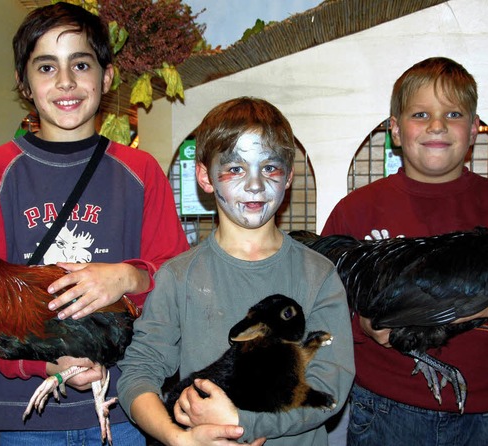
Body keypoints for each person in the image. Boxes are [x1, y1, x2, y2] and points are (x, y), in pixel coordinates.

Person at [0, 2, 189, 445]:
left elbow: (178, 273)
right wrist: (44, 365)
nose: (65, 82)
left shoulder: (139, 172)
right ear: (24, 83)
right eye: (46, 67)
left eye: (81, 64)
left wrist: (128, 275)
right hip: (29, 411)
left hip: (129, 403)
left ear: (107, 76)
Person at [322, 57, 488, 445]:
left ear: (473, 131)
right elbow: (323, 304)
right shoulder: (357, 210)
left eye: (452, 114)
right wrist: (363, 325)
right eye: (421, 114)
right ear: (396, 131)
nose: (437, 125)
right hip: (384, 408)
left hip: (482, 415)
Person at [117, 96, 355, 446]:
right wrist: (177, 438)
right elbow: (138, 372)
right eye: (235, 168)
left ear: (288, 176)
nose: (256, 184)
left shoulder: (318, 274)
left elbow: (329, 384)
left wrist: (240, 422)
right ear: (205, 176)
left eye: (270, 168)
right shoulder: (178, 276)